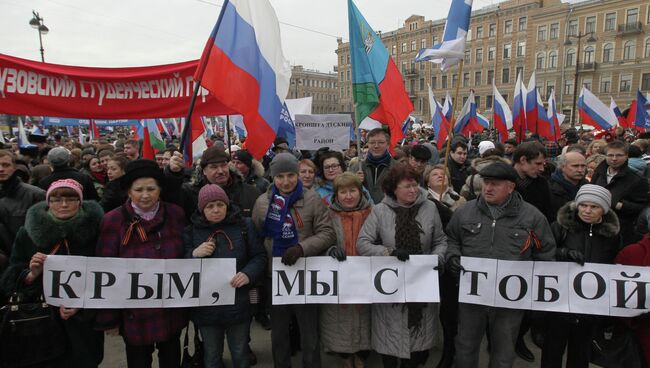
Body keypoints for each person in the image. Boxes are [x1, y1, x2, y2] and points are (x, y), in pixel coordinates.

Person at [446, 161, 556, 368]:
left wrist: (535, 286)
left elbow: (546, 253)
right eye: (486, 182)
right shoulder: (465, 212)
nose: (488, 188)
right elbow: (452, 239)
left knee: (504, 350)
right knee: (465, 345)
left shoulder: (532, 216)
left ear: (511, 187)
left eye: (495, 184)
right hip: (472, 294)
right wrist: (452, 257)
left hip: (510, 298)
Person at [0, 179, 105, 367]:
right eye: (56, 200)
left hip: (83, 323)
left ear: (80, 201)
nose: (63, 204)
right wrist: (31, 273)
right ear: (48, 202)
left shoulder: (97, 232)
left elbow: (106, 276)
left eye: (70, 199)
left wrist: (83, 305)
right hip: (40, 321)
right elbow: (11, 274)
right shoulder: (28, 233)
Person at [96, 159, 187, 368]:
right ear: (129, 192)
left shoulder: (175, 214)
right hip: (134, 315)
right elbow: (105, 270)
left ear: (160, 190)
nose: (145, 195)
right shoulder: (113, 220)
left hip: (170, 310)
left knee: (172, 360)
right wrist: (109, 319)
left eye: (151, 189)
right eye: (138, 189)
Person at [357, 163, 447, 367]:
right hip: (390, 288)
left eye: (415, 185)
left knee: (417, 345)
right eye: (407, 186)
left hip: (421, 284)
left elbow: (440, 240)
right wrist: (388, 252)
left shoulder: (430, 207)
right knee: (390, 344)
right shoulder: (380, 211)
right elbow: (363, 243)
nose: (413, 190)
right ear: (393, 189)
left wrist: (436, 259)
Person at [252, 153, 336, 368]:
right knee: (279, 333)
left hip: (306, 275)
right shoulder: (262, 202)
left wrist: (302, 248)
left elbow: (327, 233)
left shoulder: (311, 198)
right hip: (275, 276)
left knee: (309, 332)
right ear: (273, 177)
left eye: (291, 175)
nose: (286, 181)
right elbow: (256, 239)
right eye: (280, 176)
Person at [184, 184, 266, 368]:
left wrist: (248, 274)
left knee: (240, 353)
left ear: (227, 205)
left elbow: (259, 256)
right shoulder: (191, 231)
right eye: (210, 206)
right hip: (206, 310)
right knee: (212, 356)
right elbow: (180, 267)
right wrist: (194, 254)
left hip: (239, 304)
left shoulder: (245, 226)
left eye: (220, 204)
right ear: (201, 209)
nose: (215, 210)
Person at [541, 185, 620, 368]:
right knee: (552, 349)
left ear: (604, 209)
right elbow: (545, 253)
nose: (586, 210)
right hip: (559, 299)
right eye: (583, 205)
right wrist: (564, 253)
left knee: (581, 352)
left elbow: (613, 264)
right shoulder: (561, 226)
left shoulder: (612, 235)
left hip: (590, 304)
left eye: (594, 207)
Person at [320, 172, 372, 367]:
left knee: (364, 316)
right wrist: (330, 250)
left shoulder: (373, 212)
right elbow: (321, 238)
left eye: (352, 191)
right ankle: (344, 355)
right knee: (340, 318)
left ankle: (361, 353)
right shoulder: (327, 214)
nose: (348, 196)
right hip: (337, 277)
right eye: (343, 192)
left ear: (360, 192)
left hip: (366, 276)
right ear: (336, 195)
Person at [590, 141, 649, 246]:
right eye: (610, 155)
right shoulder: (598, 174)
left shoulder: (637, 179)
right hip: (595, 226)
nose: (614, 158)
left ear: (626, 156)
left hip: (620, 230)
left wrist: (620, 205)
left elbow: (642, 208)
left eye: (619, 155)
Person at [0, 150, 45, 270]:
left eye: (6, 165)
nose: (1, 169)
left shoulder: (35, 195)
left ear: (14, 168)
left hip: (25, 264)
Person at [349, 128, 396, 204]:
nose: (376, 146)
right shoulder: (356, 167)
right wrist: (354, 182)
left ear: (388, 145)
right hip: (363, 212)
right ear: (368, 144)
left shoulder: (398, 168)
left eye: (381, 142)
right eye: (372, 142)